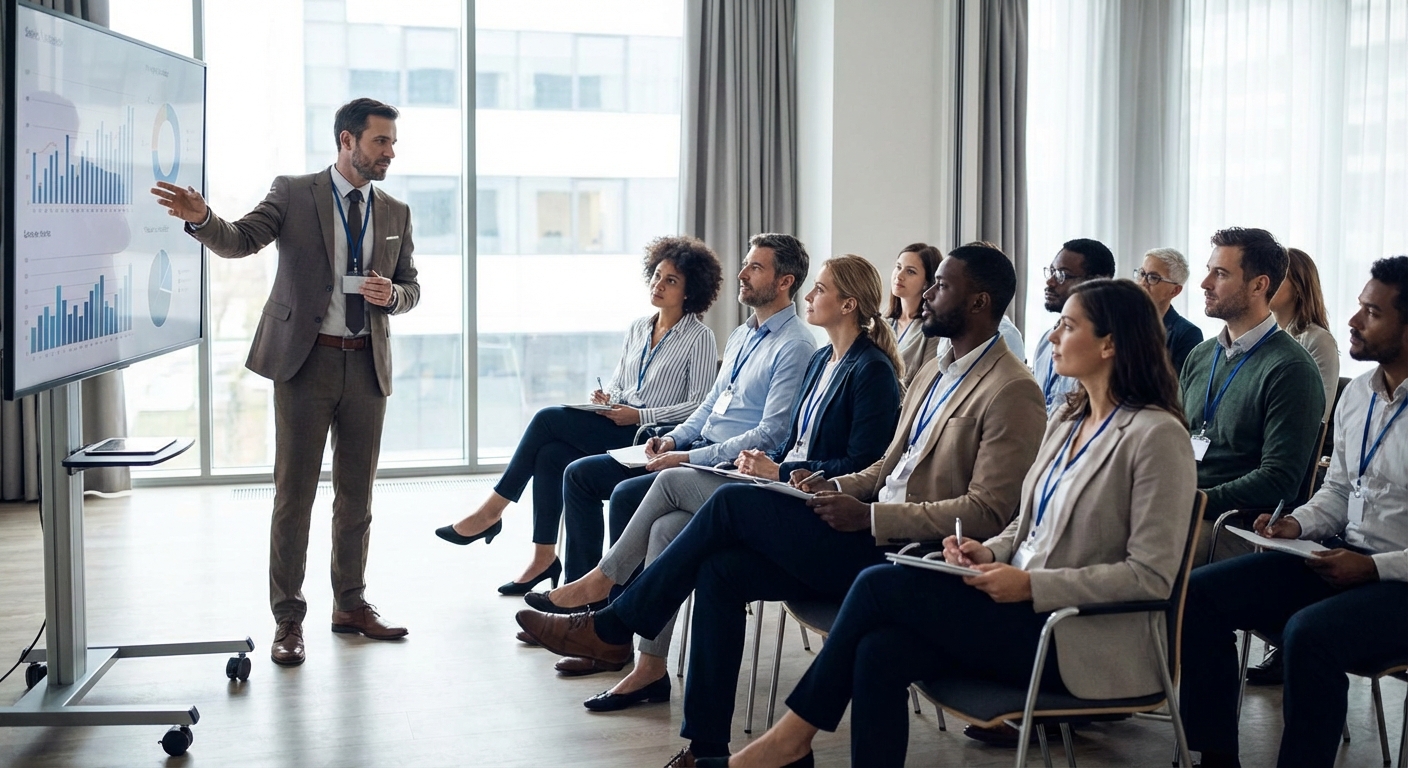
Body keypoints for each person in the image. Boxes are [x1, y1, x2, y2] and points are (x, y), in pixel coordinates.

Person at [514, 244, 1046, 765]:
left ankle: (613, 624)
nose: (924, 294)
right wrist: (832, 488)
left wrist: (867, 513)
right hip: (852, 519)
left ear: (978, 302)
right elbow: (884, 469)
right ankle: (706, 748)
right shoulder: (933, 371)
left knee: (730, 508)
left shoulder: (1010, 389)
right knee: (721, 570)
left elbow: (989, 511)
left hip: (903, 549)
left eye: (940, 284)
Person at [722, 278, 1198, 768]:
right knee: (879, 651)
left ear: (1111, 344)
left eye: (1068, 326)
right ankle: (790, 747)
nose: (1053, 336)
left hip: (1074, 635)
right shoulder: (1068, 420)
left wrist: (1032, 584)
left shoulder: (1156, 436)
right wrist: (988, 551)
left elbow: (1150, 576)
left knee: (878, 584)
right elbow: (1028, 524)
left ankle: (788, 742)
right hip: (1014, 605)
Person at [529, 254, 902, 706]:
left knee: (668, 483)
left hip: (807, 500)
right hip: (771, 480)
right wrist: (703, 448)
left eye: (820, 289)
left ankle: (601, 593)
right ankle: (649, 669)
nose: (810, 294)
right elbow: (769, 429)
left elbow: (861, 464)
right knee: (665, 527)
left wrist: (775, 469)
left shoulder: (869, 370)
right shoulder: (825, 357)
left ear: (848, 305)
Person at [151, 98, 420, 666]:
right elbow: (241, 239)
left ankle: (350, 604)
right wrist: (201, 217)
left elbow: (410, 288)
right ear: (347, 141)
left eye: (392, 142)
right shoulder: (294, 193)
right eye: (381, 142)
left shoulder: (395, 212)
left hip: (367, 366)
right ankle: (288, 620)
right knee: (293, 498)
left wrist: (391, 296)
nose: (390, 152)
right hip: (306, 364)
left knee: (357, 498)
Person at [1180, 256, 1408, 768]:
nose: (1352, 321)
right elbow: (1337, 491)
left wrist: (1372, 567)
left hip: (1398, 580)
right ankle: (1216, 758)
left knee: (1309, 633)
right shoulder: (1360, 397)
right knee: (1201, 596)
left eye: (1371, 312)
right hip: (1346, 557)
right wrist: (1298, 523)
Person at [433, 237, 722, 595]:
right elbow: (620, 383)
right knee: (551, 455)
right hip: (614, 423)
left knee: (546, 419)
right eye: (657, 276)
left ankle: (493, 511)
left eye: (671, 281)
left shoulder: (700, 338)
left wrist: (638, 414)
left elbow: (698, 406)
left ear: (691, 290)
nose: (658, 285)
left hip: (646, 438)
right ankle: (552, 567)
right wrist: (607, 399)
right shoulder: (637, 327)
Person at [555, 234, 816, 585]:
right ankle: (579, 603)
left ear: (785, 282)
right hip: (693, 449)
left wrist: (688, 458)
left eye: (755, 267)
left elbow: (773, 433)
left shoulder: (795, 344)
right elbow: (710, 403)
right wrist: (673, 441)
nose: (742, 275)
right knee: (579, 476)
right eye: (745, 265)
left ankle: (609, 616)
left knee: (624, 496)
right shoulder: (742, 334)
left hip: (728, 467)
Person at [1181, 228, 1324, 562]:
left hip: (1232, 523)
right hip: (1181, 505)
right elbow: (1171, 438)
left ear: (1259, 285)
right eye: (1208, 271)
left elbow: (1280, 480)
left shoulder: (1291, 368)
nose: (1204, 284)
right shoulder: (1201, 356)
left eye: (1220, 274)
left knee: (1122, 551)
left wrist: (1197, 500)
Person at [1031, 238, 1116, 415]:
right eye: (1052, 272)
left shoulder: (1105, 346)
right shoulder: (1047, 341)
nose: (1050, 282)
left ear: (1097, 281)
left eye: (1062, 275)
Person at [1272, 247, 1340, 423]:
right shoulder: (1260, 336)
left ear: (1298, 287)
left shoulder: (1318, 340)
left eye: (1278, 276)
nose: (1266, 283)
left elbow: (1318, 416)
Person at [1135, 247, 1204, 372]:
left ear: (1175, 290)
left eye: (1153, 277)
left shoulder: (1188, 334)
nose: (1142, 283)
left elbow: (1177, 387)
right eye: (1142, 274)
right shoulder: (1122, 322)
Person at [888, 244, 943, 388]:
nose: (899, 276)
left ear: (926, 283)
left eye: (910, 272)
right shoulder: (880, 323)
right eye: (898, 267)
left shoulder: (934, 332)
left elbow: (925, 384)